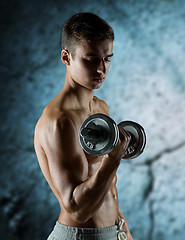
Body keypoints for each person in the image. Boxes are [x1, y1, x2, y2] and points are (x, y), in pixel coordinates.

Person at [34, 12, 133, 240]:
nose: (101, 69)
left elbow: (108, 187)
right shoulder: (58, 121)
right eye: (91, 59)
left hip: (112, 232)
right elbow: (78, 209)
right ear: (66, 57)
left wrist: (124, 232)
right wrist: (113, 158)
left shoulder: (100, 108)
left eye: (107, 58)